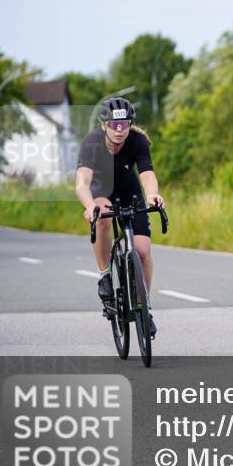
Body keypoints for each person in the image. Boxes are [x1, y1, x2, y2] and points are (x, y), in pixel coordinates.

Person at [74, 97, 164, 336]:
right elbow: (82, 182)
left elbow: (146, 174)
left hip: (129, 192)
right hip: (101, 191)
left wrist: (153, 195)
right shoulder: (92, 142)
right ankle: (104, 275)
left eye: (124, 124)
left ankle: (144, 307)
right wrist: (88, 205)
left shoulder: (138, 141)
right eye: (114, 125)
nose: (119, 130)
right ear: (104, 125)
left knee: (143, 251)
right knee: (102, 216)